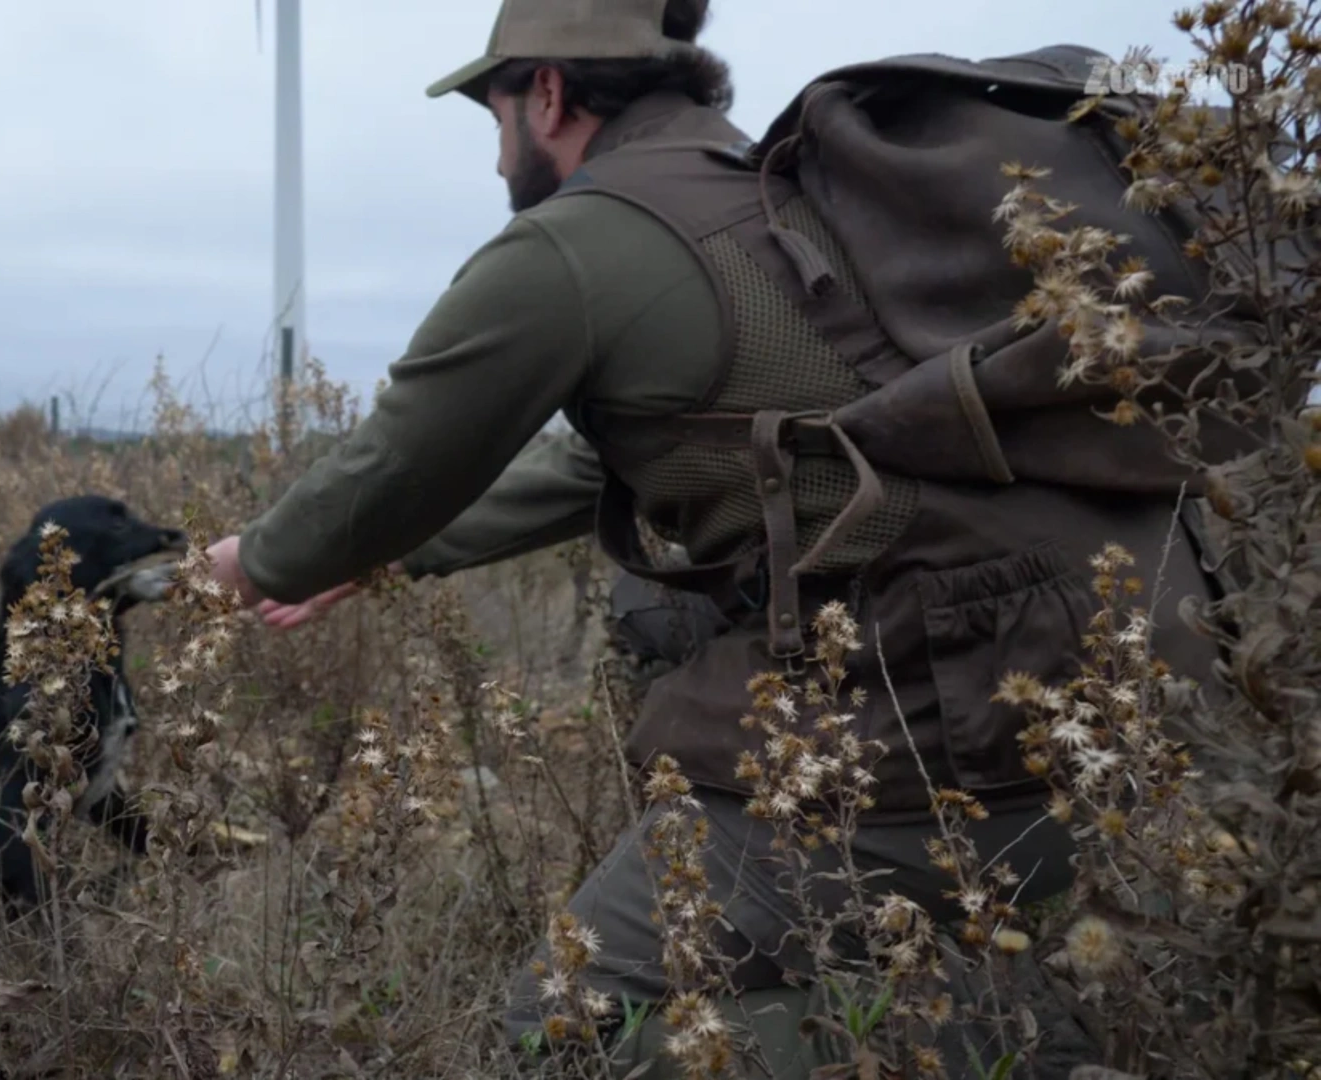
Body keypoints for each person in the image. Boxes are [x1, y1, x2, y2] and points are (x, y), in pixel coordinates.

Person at [201, 0, 1215, 1071]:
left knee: (570, 1030)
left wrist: (246, 563)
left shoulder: (574, 244)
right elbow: (601, 463)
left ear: (545, 93)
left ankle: (1032, 1047)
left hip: (956, 711)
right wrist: (395, 554)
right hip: (1146, 667)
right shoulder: (781, 194)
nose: (497, 153)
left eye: (493, 112)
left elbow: (387, 470)